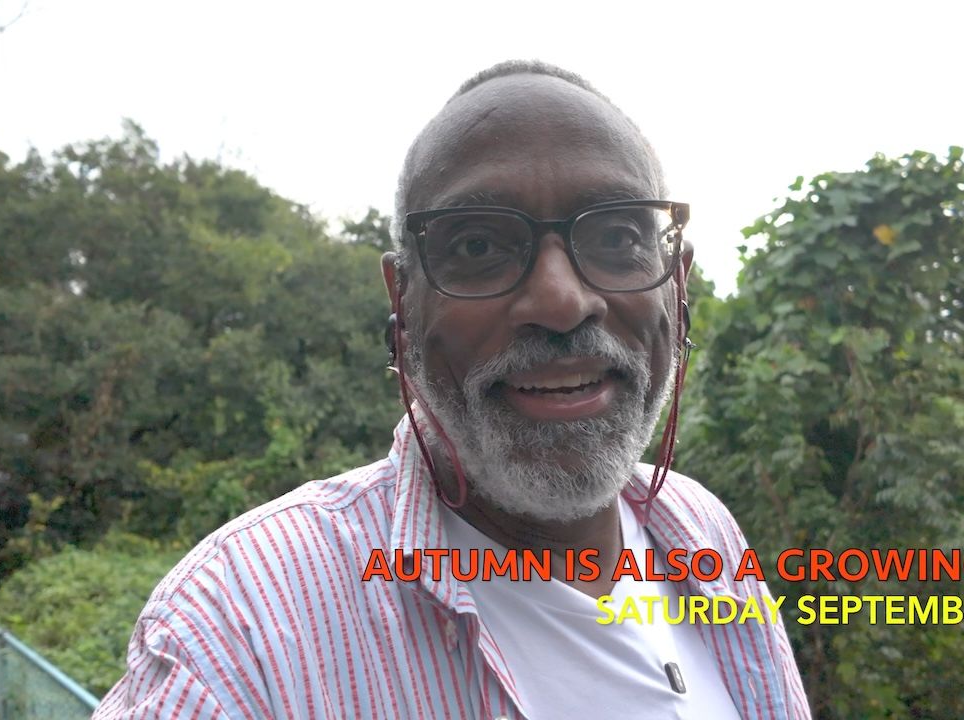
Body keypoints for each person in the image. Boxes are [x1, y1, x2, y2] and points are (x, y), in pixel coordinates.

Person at [94, 60, 810, 719]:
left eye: (617, 236)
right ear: (402, 303)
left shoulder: (702, 531)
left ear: (677, 286)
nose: (561, 302)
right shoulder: (236, 633)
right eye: (477, 246)